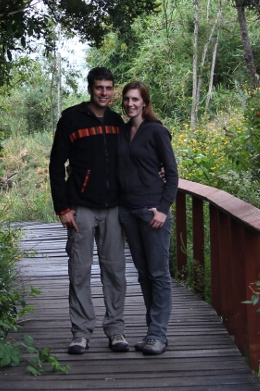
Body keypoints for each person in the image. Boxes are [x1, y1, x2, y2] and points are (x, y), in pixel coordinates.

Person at [48, 67, 129, 355]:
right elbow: (56, 165)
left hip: (113, 208)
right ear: (90, 88)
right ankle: (81, 333)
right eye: (99, 87)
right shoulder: (71, 119)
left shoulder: (117, 122)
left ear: (113, 90)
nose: (104, 93)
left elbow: (131, 159)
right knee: (79, 271)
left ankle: (115, 330)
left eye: (108, 88)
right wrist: (62, 208)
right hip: (80, 207)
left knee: (115, 271)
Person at [117, 81, 178, 356]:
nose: (130, 104)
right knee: (143, 274)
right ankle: (152, 331)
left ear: (145, 102)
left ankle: (158, 334)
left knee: (158, 274)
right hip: (128, 212)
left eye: (135, 99)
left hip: (152, 212)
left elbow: (172, 173)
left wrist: (164, 209)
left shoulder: (156, 131)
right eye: (127, 99)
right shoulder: (122, 132)